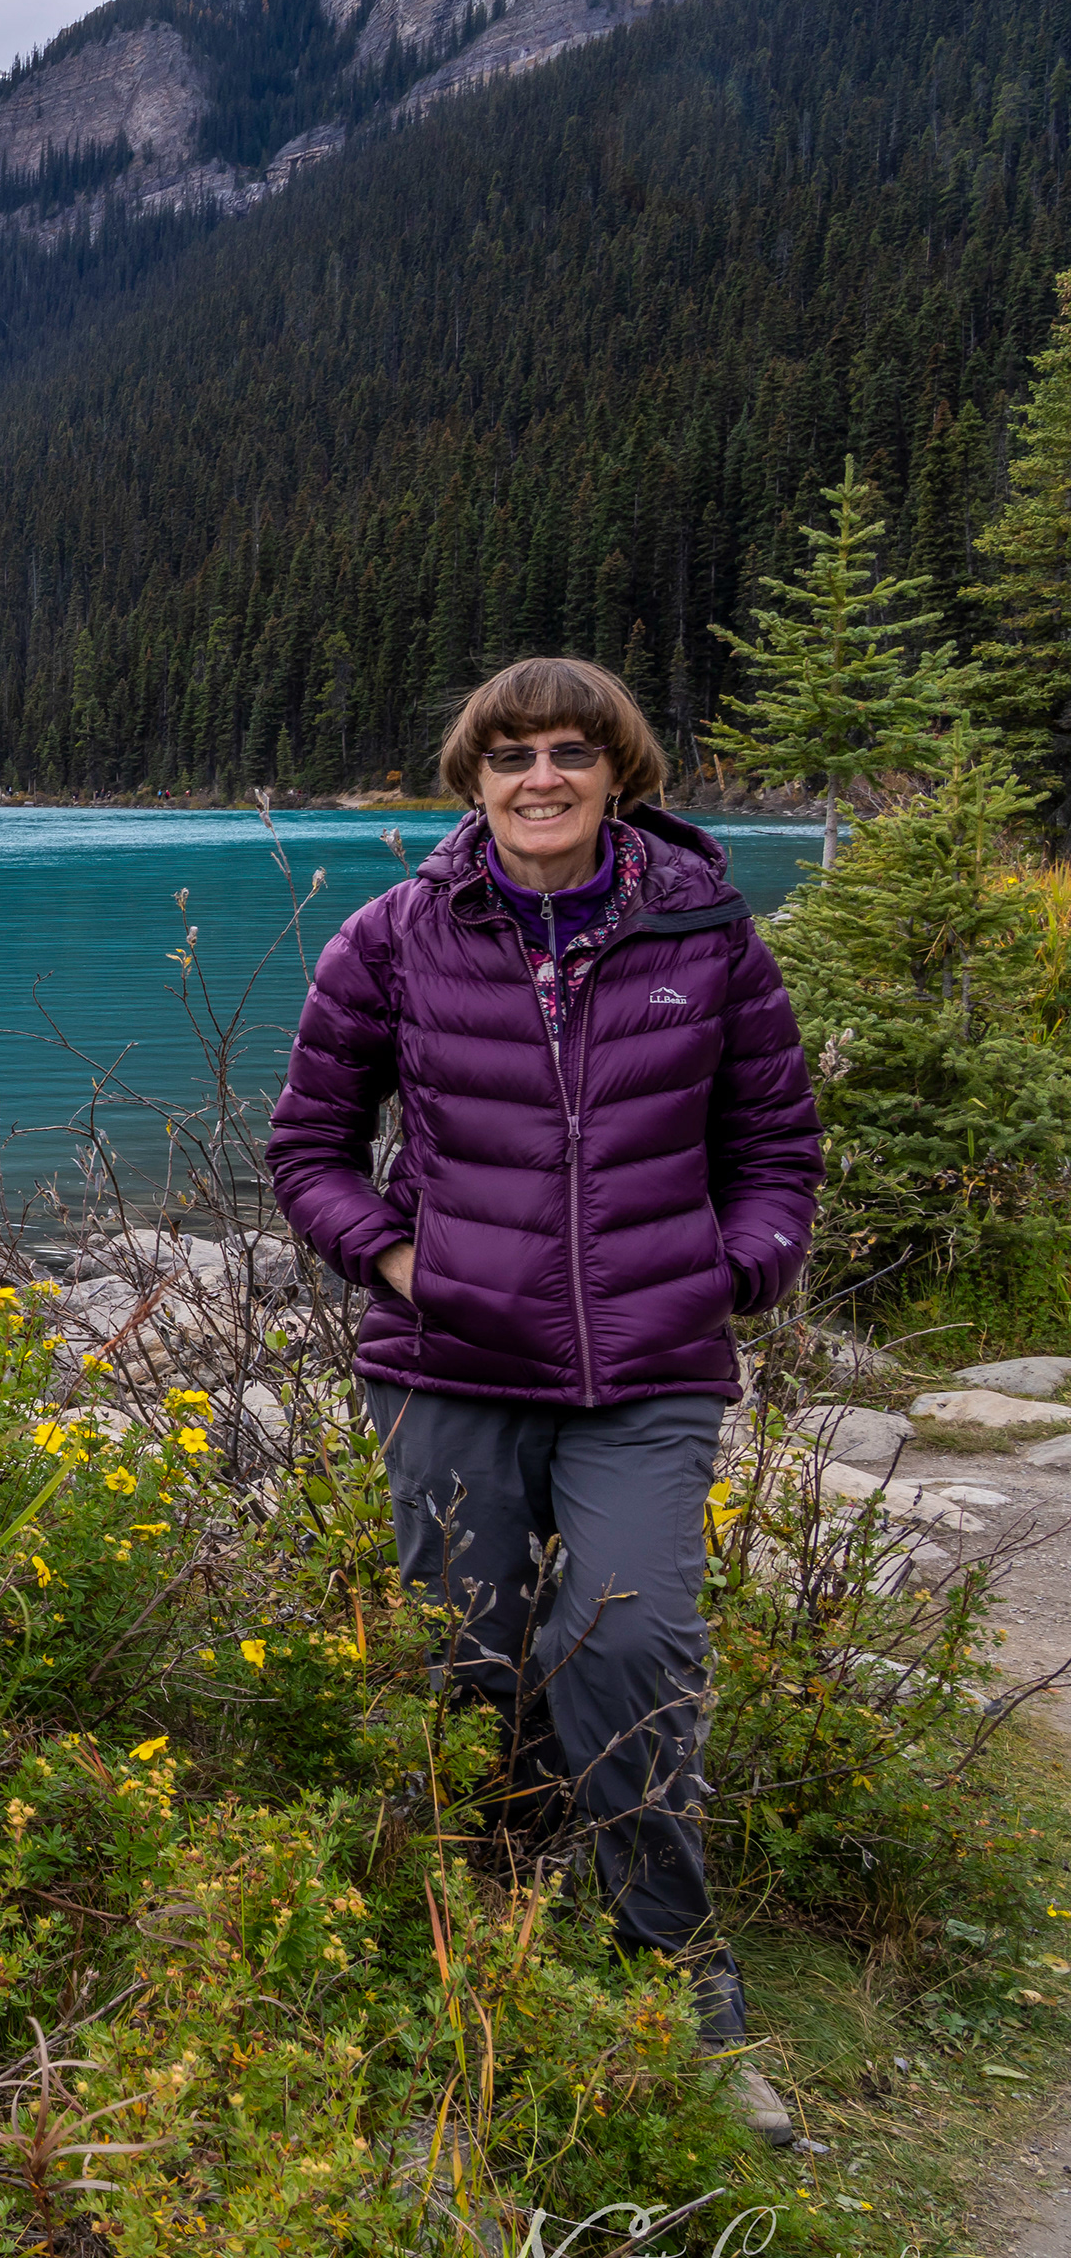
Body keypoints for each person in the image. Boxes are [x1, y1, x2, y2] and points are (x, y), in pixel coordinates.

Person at [268, 656, 822, 2149]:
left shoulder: (704, 935)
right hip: (452, 1363)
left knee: (631, 1639)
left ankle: (682, 1990)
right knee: (464, 1664)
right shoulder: (393, 939)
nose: (541, 777)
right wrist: (394, 1263)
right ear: (474, 777)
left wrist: (736, 1275)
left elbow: (778, 1146)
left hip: (647, 1371)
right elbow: (310, 1144)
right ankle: (499, 1935)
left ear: (616, 771)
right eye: (511, 754)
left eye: (572, 752)